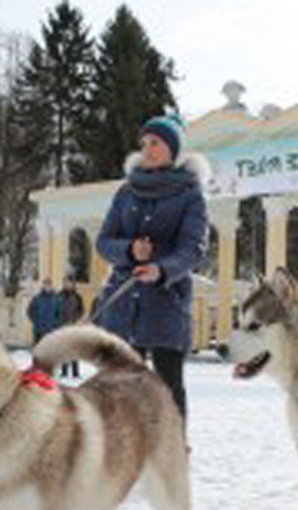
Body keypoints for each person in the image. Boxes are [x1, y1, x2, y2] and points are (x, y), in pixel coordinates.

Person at [95, 113, 209, 420]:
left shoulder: (190, 194)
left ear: (174, 149)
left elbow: (194, 249)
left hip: (165, 306)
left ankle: (174, 446)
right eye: (144, 143)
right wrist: (130, 250)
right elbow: (104, 242)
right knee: (117, 389)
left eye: (155, 142)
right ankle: (121, 447)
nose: (147, 149)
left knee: (168, 389)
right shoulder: (126, 191)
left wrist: (162, 270)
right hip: (122, 304)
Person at [58, 275, 85, 378]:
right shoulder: (59, 295)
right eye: (65, 282)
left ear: (73, 284)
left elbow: (81, 310)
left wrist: (76, 320)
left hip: (74, 326)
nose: (67, 284)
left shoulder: (77, 297)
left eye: (69, 282)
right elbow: (55, 310)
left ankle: (75, 373)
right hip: (62, 326)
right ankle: (64, 372)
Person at [27, 277, 60, 345]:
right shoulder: (37, 298)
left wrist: (55, 323)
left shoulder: (56, 299)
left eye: (49, 285)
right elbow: (29, 311)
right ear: (43, 286)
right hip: (39, 331)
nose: (47, 287)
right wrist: (36, 321)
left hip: (51, 331)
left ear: (51, 286)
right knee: (38, 348)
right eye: (45, 285)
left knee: (50, 349)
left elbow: (59, 313)